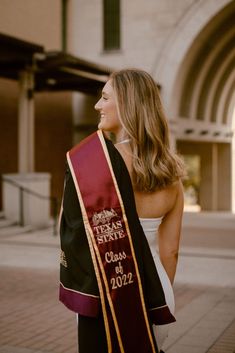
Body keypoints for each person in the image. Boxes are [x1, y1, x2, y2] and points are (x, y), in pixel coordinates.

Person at [59, 68, 184, 353]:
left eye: (104, 98)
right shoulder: (173, 172)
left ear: (126, 104)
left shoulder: (98, 165)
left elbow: (73, 233)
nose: (97, 106)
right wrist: (157, 295)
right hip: (157, 296)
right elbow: (170, 251)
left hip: (110, 294)